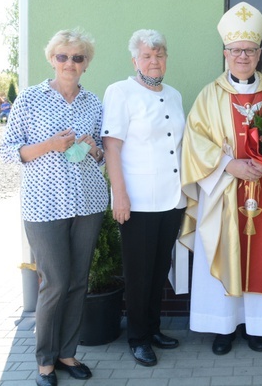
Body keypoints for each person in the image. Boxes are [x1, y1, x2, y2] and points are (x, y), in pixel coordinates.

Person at [180, 2, 262, 355]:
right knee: (224, 248)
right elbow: (194, 141)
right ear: (225, 53)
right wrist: (228, 166)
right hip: (223, 193)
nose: (242, 56)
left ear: (260, 54)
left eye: (249, 50)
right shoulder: (209, 95)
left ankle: (258, 327)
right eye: (236, 51)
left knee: (261, 254)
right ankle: (224, 327)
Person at [0, 29, 108, 386]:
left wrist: (94, 149)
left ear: (86, 63)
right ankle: (44, 360)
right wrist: (49, 144)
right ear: (52, 59)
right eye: (63, 56)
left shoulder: (94, 103)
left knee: (78, 282)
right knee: (55, 283)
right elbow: (8, 152)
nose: (70, 63)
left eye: (78, 57)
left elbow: (104, 156)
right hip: (44, 207)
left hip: (88, 202)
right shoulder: (29, 100)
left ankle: (67, 352)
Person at [102, 30, 187, 367]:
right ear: (134, 60)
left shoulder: (175, 94)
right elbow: (112, 147)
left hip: (172, 198)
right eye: (148, 55)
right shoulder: (120, 92)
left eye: (160, 54)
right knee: (138, 272)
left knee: (158, 268)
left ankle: (152, 329)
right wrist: (118, 196)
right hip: (137, 200)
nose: (155, 61)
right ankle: (137, 338)